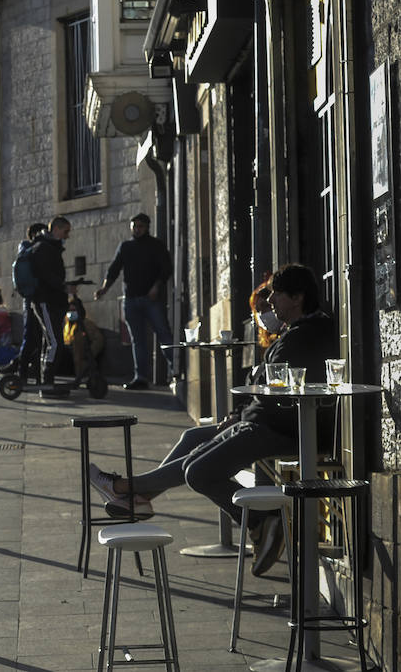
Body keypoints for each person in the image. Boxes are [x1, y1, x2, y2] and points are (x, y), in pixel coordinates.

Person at [87, 263, 336, 576]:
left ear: (297, 297)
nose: (270, 302)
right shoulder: (293, 333)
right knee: (192, 440)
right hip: (267, 422)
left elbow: (277, 398)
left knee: (197, 470)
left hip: (284, 429)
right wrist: (237, 415)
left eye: (276, 295)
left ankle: (126, 489)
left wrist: (240, 418)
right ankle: (137, 496)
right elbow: (264, 391)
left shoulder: (305, 337)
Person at [95, 213, 174, 390]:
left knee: (163, 334)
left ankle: (175, 371)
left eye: (141, 226)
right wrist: (104, 288)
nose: (137, 229)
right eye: (135, 226)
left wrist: (156, 286)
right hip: (131, 299)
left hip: (151, 299)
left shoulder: (156, 246)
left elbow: (166, 268)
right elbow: (114, 269)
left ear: (147, 227)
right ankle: (141, 378)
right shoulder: (126, 247)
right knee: (138, 340)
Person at [29, 216, 72, 383]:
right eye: (65, 231)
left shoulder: (50, 248)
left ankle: (45, 379)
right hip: (46, 301)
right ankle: (47, 379)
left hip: (53, 301)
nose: (67, 236)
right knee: (55, 343)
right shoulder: (43, 248)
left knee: (49, 341)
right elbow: (46, 275)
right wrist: (63, 286)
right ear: (56, 229)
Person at [5, 223, 49, 377]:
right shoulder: (30, 248)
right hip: (33, 298)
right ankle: (23, 370)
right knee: (31, 335)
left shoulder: (28, 249)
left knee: (34, 336)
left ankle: (28, 369)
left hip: (32, 297)